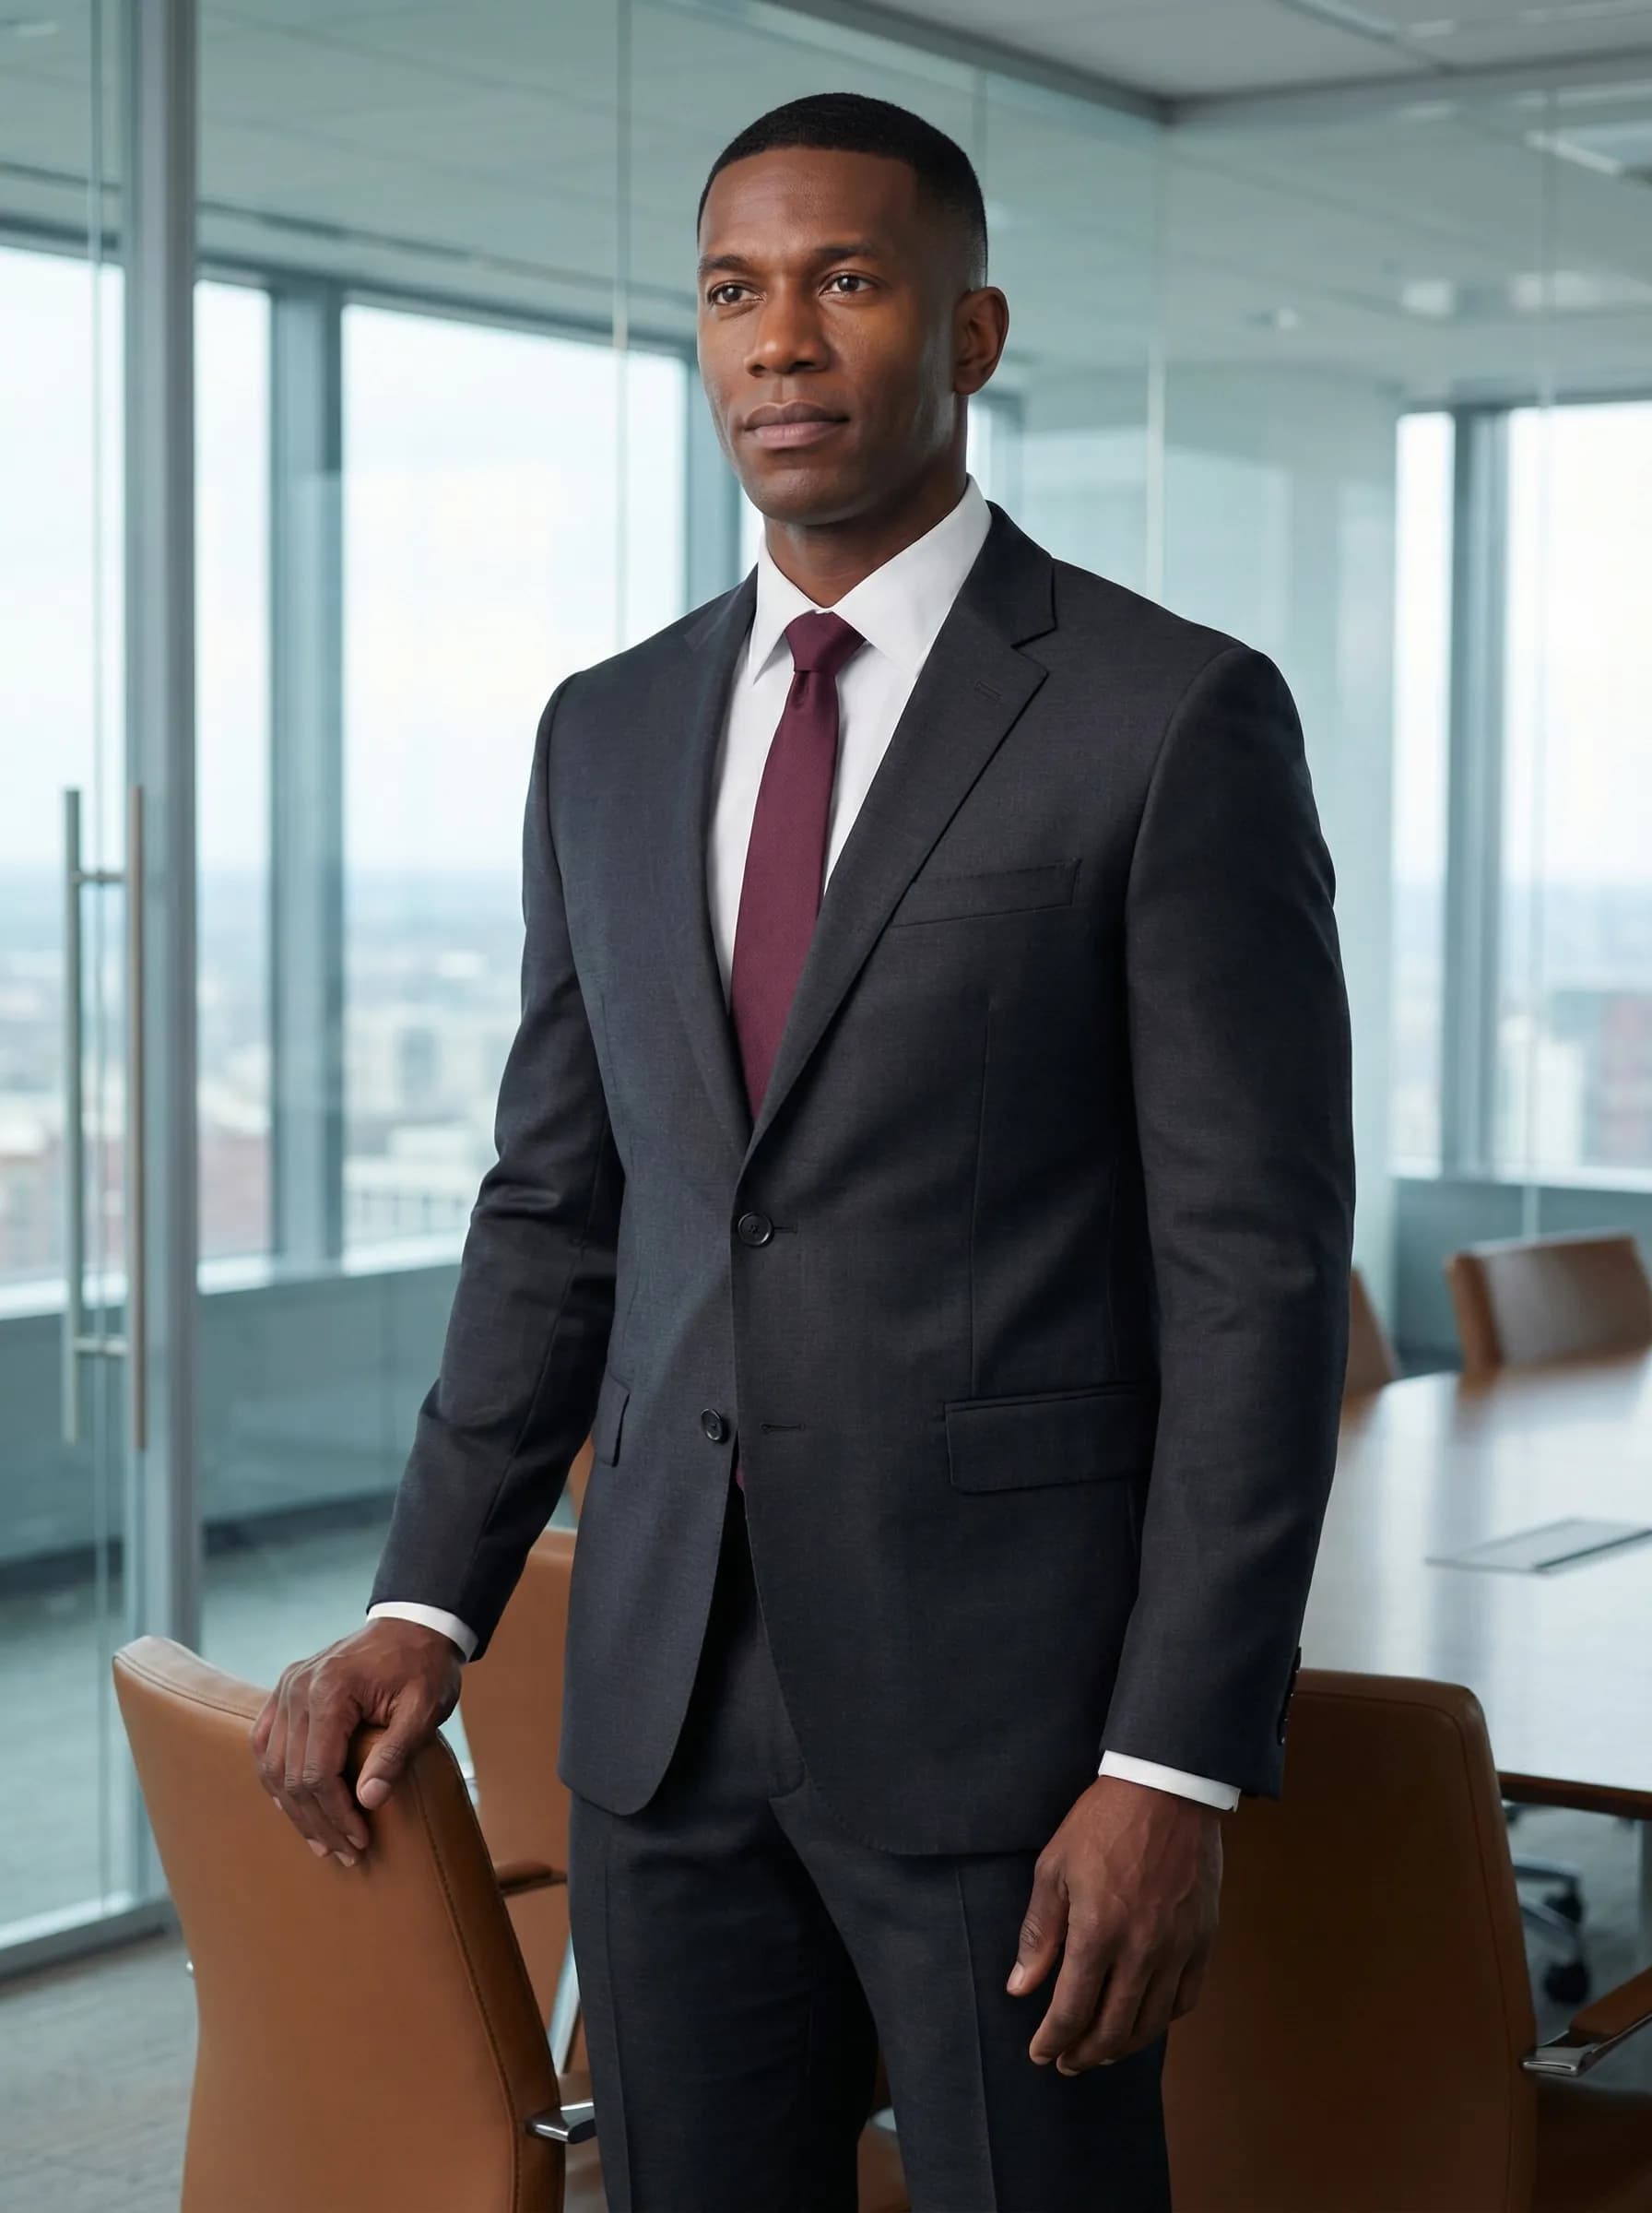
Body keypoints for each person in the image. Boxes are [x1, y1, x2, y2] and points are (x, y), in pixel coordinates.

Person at [252, 89, 1354, 2212]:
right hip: (662, 1713)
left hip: (1013, 1736)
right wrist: (429, 1598)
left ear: (969, 333)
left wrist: (1168, 1763)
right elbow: (557, 1215)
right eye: (733, 294)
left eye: (844, 283)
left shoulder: (1163, 714)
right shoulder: (607, 727)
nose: (779, 341)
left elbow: (1251, 1281)